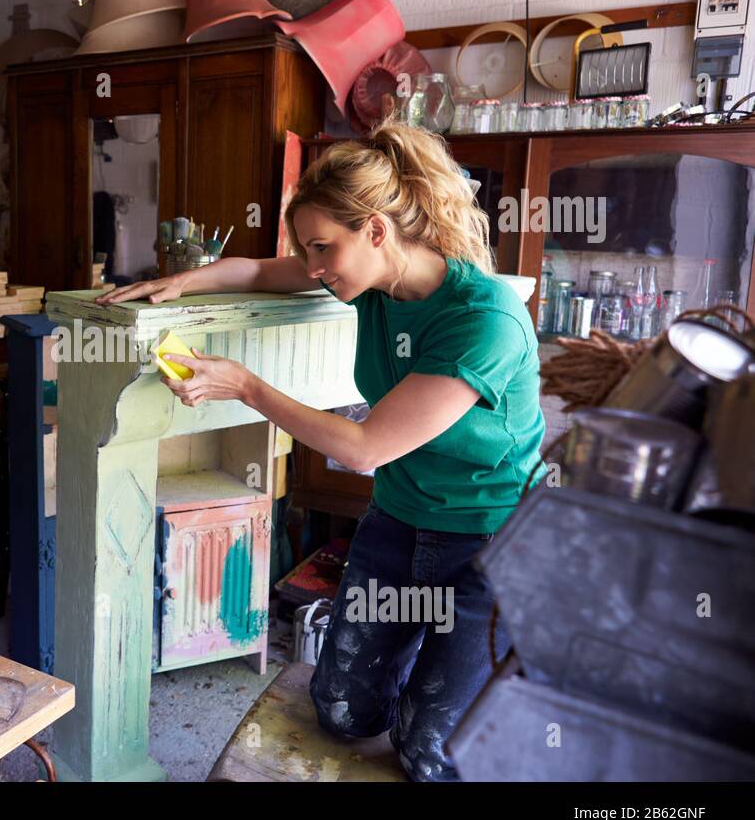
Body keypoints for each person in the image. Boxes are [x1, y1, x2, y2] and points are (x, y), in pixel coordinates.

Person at [96, 120, 544, 781]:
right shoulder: (371, 284)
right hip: (398, 523)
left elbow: (365, 448)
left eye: (321, 248)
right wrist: (182, 285)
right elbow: (259, 269)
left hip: (487, 545)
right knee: (341, 712)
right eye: (307, 250)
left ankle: (479, 683)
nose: (312, 268)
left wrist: (244, 385)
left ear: (376, 229)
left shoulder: (484, 320)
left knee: (430, 751)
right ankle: (440, 674)